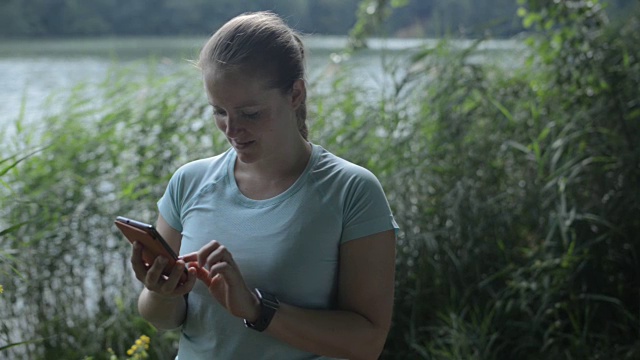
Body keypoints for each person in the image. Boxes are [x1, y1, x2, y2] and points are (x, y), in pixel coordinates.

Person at [130, 11, 399, 360]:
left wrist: (257, 310)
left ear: (295, 94)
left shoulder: (351, 191)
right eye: (219, 111)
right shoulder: (189, 182)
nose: (231, 128)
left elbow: (367, 342)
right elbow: (165, 319)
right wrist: (161, 293)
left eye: (250, 113)